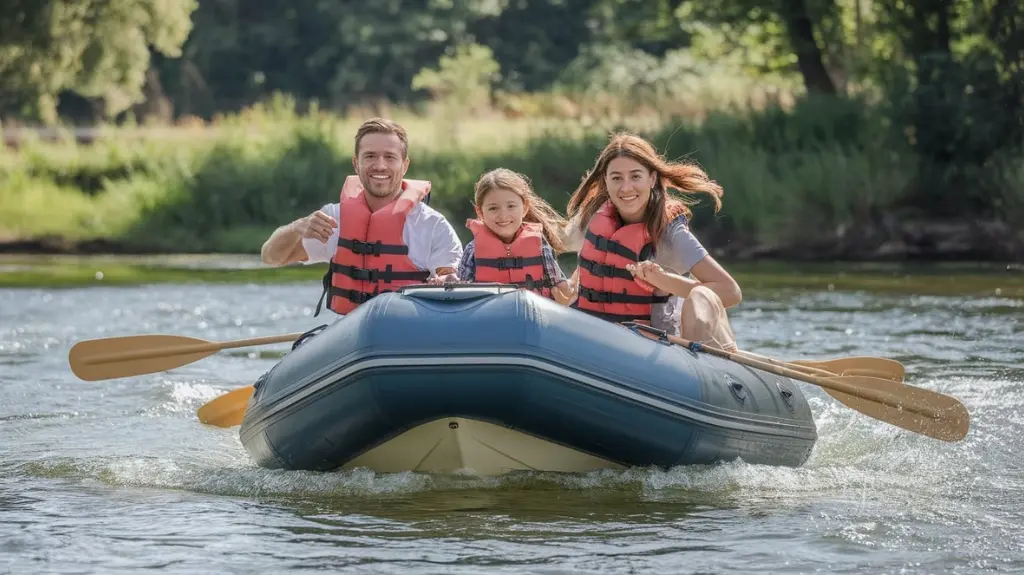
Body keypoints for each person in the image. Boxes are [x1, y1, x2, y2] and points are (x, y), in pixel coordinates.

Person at [260, 118, 463, 318]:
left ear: (405, 165)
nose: (380, 166)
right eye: (370, 156)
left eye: (390, 157)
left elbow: (451, 278)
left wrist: (446, 280)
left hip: (408, 333)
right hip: (351, 337)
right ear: (356, 163)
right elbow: (271, 257)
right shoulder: (334, 219)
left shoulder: (433, 226)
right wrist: (297, 227)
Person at [562, 132, 742, 351]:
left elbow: (730, 291)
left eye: (635, 176)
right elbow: (554, 240)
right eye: (617, 178)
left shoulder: (671, 233)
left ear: (652, 179)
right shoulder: (592, 217)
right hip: (593, 335)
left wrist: (662, 280)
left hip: (655, 350)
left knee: (700, 296)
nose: (626, 188)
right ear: (605, 181)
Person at [457, 168, 574, 304]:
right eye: (493, 208)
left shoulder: (540, 246)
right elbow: (461, 295)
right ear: (480, 212)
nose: (503, 215)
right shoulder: (472, 250)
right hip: (488, 320)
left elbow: (558, 287)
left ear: (524, 208)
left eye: (511, 206)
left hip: (532, 318)